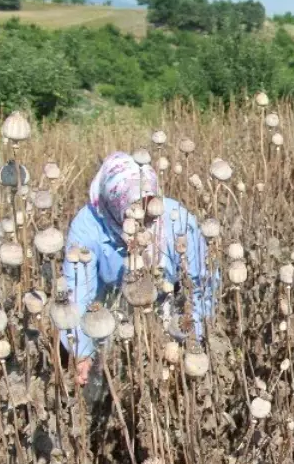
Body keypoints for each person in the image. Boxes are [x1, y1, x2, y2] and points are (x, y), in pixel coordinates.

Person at [61, 152, 217, 387]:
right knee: (112, 373)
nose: (143, 221)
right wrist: (83, 352)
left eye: (148, 208)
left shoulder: (179, 222)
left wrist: (191, 338)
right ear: (114, 204)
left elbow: (201, 287)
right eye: (132, 211)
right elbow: (78, 294)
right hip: (111, 307)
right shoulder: (88, 226)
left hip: (170, 303)